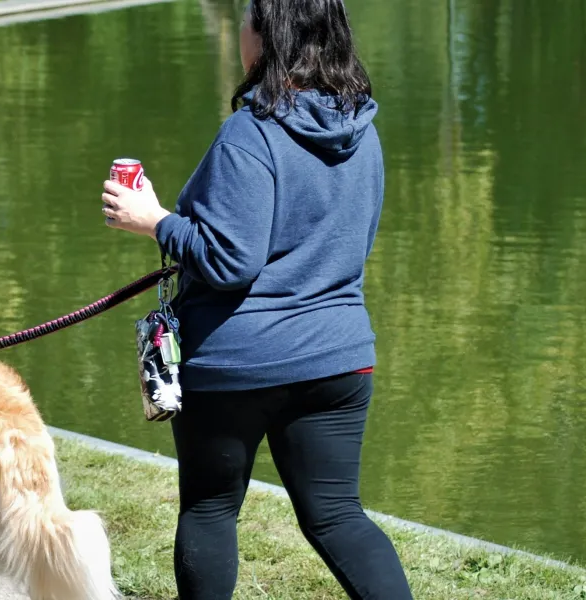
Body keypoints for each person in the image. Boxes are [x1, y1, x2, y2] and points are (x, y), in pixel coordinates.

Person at [99, 0, 414, 598]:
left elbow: (229, 260)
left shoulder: (251, 132)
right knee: (338, 517)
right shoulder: (362, 128)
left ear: (269, 36)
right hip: (339, 357)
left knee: (211, 509)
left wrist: (156, 221)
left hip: (237, 361)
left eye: (248, 18)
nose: (241, 30)